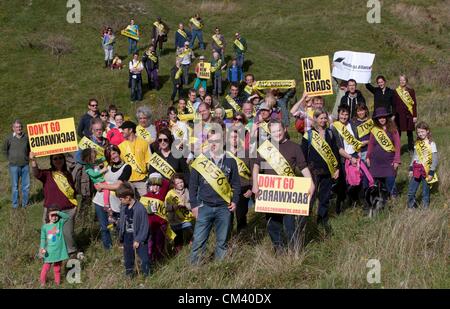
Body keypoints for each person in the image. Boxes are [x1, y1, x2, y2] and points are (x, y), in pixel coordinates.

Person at [252, 120, 314, 252]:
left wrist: (311, 183)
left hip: (288, 193)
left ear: (285, 129)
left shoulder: (294, 147)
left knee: (290, 225)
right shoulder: (266, 147)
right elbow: (256, 166)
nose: (277, 133)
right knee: (272, 224)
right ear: (270, 132)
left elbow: (303, 167)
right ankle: (279, 249)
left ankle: (293, 251)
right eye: (273, 131)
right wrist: (255, 185)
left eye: (279, 130)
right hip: (270, 193)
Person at [189, 125, 241, 264]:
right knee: (198, 241)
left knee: (222, 241)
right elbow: (193, 186)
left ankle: (220, 268)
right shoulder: (200, 161)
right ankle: (194, 269)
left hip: (224, 208)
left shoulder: (231, 161)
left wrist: (235, 201)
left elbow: (236, 185)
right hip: (204, 206)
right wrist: (194, 206)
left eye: (217, 141)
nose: (214, 144)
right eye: (211, 141)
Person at [30, 152, 78, 256]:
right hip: (51, 210)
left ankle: (71, 253)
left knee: (68, 234)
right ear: (51, 161)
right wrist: (33, 160)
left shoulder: (68, 174)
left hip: (68, 209)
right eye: (55, 158)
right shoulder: (47, 173)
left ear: (64, 160)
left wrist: (75, 207)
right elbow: (36, 173)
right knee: (49, 234)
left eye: (60, 158)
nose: (58, 160)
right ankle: (45, 254)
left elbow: (73, 191)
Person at [302, 109, 340, 234]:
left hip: (327, 171)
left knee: (324, 197)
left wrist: (337, 168)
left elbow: (335, 152)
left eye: (325, 118)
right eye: (321, 118)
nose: (323, 120)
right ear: (315, 119)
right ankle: (305, 221)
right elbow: (303, 154)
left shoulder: (330, 133)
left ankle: (322, 219)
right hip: (313, 171)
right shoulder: (309, 134)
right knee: (310, 197)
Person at [93, 144, 132, 249]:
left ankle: (122, 245)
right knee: (104, 227)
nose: (113, 156)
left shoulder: (127, 168)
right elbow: (95, 177)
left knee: (119, 226)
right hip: (100, 201)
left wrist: (102, 185)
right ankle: (108, 249)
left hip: (116, 203)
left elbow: (118, 185)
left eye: (114, 153)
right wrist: (96, 184)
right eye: (110, 155)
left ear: (118, 152)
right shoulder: (107, 166)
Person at [331, 104, 366, 212]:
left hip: (355, 155)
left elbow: (357, 140)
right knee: (343, 183)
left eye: (346, 114)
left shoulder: (353, 124)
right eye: (342, 114)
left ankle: (356, 202)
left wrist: (358, 153)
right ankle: (340, 207)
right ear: (338, 114)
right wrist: (350, 158)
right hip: (343, 158)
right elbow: (338, 148)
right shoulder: (334, 127)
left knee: (357, 180)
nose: (344, 117)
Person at [117, 182, 151, 277]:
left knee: (144, 259)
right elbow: (123, 222)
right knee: (128, 258)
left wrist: (138, 240)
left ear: (128, 197)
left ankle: (147, 275)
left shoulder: (140, 208)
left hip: (139, 238)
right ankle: (129, 275)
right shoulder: (124, 207)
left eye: (121, 199)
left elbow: (145, 226)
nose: (120, 201)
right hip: (127, 237)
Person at [366, 107, 401, 198]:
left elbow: (397, 145)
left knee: (390, 179)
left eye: (383, 117)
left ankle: (393, 198)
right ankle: (382, 199)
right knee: (378, 182)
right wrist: (368, 157)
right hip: (376, 161)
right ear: (377, 119)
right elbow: (371, 144)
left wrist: (397, 160)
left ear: (386, 117)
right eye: (379, 117)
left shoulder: (393, 129)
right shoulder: (374, 130)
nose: (381, 119)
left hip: (389, 160)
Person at [407, 121, 438, 209]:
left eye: (422, 131)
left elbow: (435, 159)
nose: (420, 134)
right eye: (419, 132)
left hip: (427, 170)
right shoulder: (417, 143)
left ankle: (425, 209)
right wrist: (410, 168)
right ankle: (411, 207)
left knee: (425, 192)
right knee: (411, 191)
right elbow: (414, 157)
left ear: (427, 131)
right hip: (416, 168)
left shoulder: (431, 143)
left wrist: (431, 172)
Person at [141, 173, 171, 262]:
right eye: (152, 185)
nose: (155, 187)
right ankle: (150, 260)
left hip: (161, 225)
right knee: (150, 244)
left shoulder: (162, 195)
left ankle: (159, 260)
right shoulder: (144, 197)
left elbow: (166, 183)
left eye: (157, 185)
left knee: (159, 243)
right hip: (149, 225)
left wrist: (157, 178)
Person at [227, 128, 252, 234]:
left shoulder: (247, 153)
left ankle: (242, 239)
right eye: (232, 137)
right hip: (227, 191)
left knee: (241, 216)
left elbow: (253, 172)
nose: (234, 139)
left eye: (236, 137)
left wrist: (251, 189)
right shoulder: (223, 154)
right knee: (227, 218)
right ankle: (228, 239)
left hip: (243, 190)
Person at [118, 121, 151, 197]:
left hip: (142, 180)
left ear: (130, 130)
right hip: (128, 181)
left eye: (124, 129)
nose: (122, 131)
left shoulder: (144, 143)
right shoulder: (121, 146)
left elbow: (149, 162)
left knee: (144, 204)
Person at [39, 208, 70, 287]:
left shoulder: (60, 223)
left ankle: (57, 284)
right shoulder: (45, 227)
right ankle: (42, 284)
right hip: (49, 251)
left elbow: (67, 217)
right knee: (46, 268)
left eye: (56, 215)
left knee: (57, 268)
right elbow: (43, 239)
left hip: (59, 251)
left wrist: (57, 212)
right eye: (52, 215)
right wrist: (42, 248)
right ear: (48, 216)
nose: (54, 217)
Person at [81, 148, 113, 223]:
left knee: (107, 190)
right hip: (98, 183)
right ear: (88, 158)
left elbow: (102, 158)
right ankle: (106, 205)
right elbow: (94, 174)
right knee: (106, 190)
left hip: (102, 180)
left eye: (95, 157)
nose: (95, 158)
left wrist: (109, 154)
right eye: (93, 157)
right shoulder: (87, 167)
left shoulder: (95, 162)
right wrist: (103, 170)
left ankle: (109, 212)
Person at [4, 120, 30, 209]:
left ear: (21, 128)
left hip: (25, 165)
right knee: (15, 187)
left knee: (26, 186)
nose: (18, 128)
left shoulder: (26, 137)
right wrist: (10, 159)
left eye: (20, 127)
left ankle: (25, 204)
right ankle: (15, 205)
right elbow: (4, 150)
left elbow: (30, 149)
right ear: (13, 128)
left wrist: (28, 158)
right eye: (16, 127)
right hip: (14, 166)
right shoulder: (9, 138)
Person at [165, 173, 194, 253]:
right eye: (177, 183)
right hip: (174, 220)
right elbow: (166, 207)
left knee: (191, 232)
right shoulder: (170, 193)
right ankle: (178, 252)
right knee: (178, 238)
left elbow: (192, 204)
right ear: (174, 184)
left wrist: (186, 205)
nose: (180, 184)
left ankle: (191, 246)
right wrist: (174, 207)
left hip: (186, 219)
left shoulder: (187, 191)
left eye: (181, 182)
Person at [393, 74, 417, 153]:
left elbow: (414, 104)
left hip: (409, 114)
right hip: (399, 115)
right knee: (398, 134)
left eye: (403, 80)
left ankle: (411, 149)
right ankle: (397, 151)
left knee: (409, 133)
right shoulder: (396, 91)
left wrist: (414, 116)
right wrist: (394, 115)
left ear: (406, 81)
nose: (402, 81)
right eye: (400, 80)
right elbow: (394, 104)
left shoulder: (411, 90)